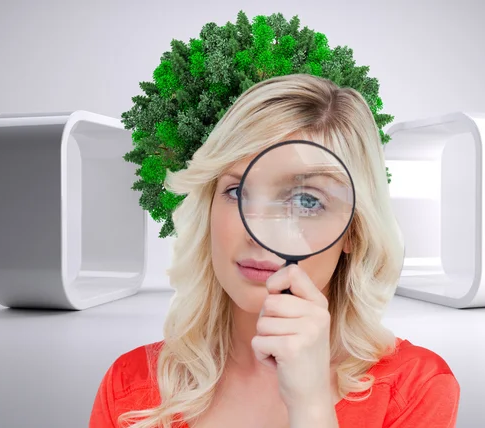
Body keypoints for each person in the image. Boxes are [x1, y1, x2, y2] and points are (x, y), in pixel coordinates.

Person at [89, 73, 460, 428]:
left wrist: (310, 407)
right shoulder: (132, 389)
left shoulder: (415, 390)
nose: (260, 234)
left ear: (353, 231)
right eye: (238, 193)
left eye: (306, 200)